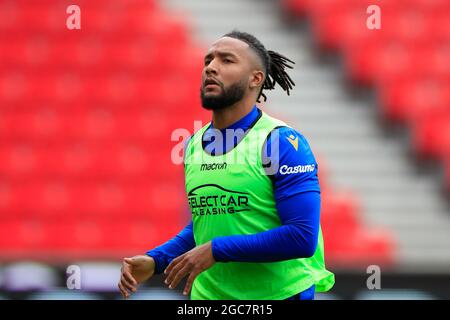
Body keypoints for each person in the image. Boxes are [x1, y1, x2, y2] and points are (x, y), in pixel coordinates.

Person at [118, 30, 335, 300]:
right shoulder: (194, 145)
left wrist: (217, 249)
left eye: (227, 61)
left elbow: (301, 236)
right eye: (208, 60)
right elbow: (206, 225)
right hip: (209, 296)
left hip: (278, 296)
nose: (211, 67)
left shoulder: (281, 142)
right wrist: (156, 260)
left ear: (256, 78)